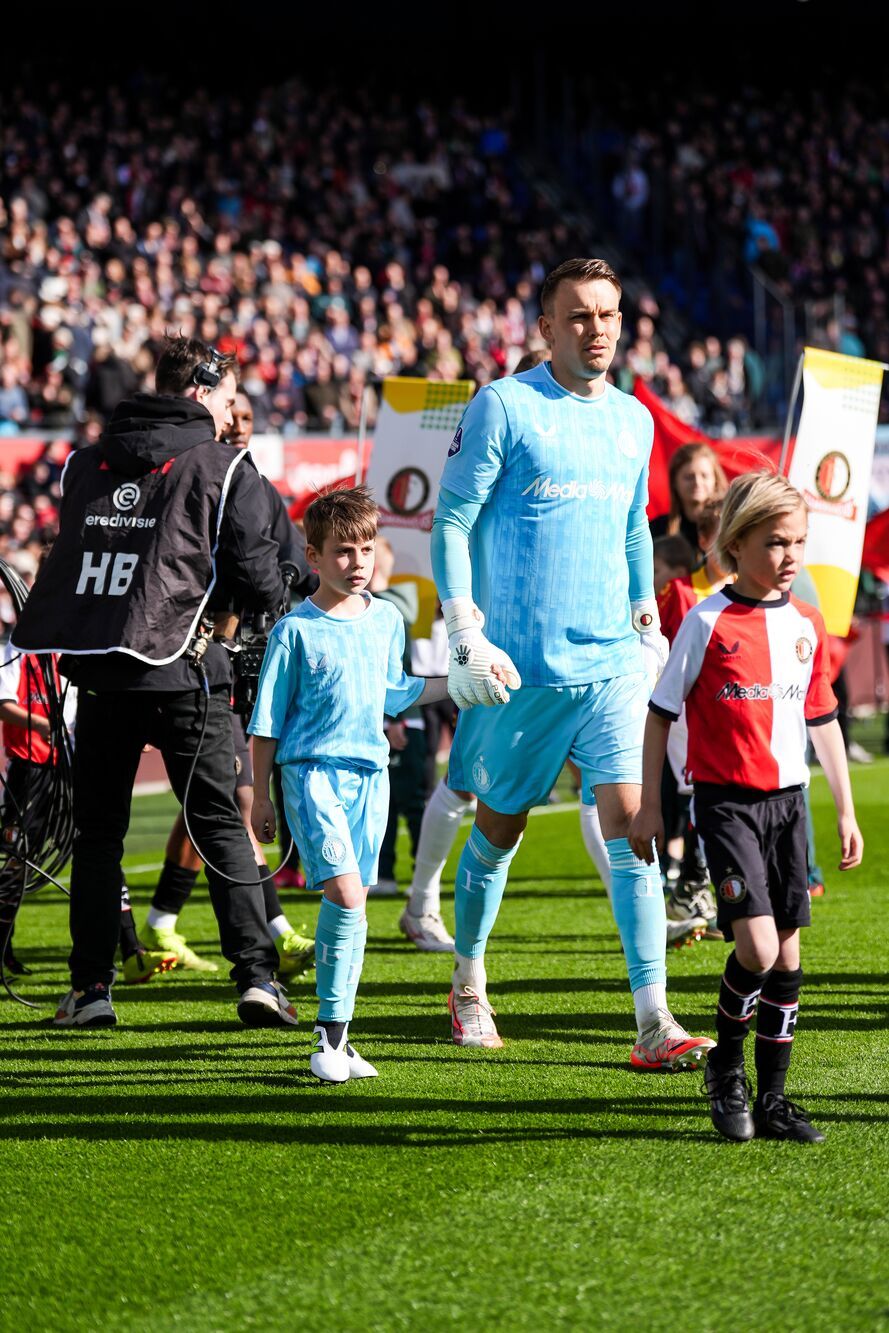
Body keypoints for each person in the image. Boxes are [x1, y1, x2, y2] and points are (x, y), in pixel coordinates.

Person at [431, 256, 713, 1069]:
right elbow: (451, 521)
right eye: (579, 315)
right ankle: (468, 977)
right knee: (499, 827)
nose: (596, 329)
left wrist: (642, 616)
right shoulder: (503, 406)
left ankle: (653, 1018)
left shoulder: (633, 420)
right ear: (546, 326)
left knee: (632, 829)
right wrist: (464, 631)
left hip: (612, 667)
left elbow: (630, 527)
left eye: (608, 314)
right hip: (519, 673)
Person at [12, 336, 296, 1030]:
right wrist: (271, 595)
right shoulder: (224, 465)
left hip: (101, 674)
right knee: (220, 825)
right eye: (228, 399)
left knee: (98, 835)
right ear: (201, 391)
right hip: (186, 671)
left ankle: (90, 990)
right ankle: (258, 980)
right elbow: (259, 575)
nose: (231, 414)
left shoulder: (85, 461)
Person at [629, 472, 863, 1142]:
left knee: (787, 958)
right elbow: (658, 714)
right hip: (726, 803)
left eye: (798, 541)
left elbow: (822, 718)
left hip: (789, 805)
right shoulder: (705, 621)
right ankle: (725, 1069)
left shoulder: (805, 623)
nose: (790, 555)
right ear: (736, 543)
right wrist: (650, 806)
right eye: (775, 542)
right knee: (756, 949)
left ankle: (773, 1099)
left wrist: (844, 810)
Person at [248, 487, 457, 1083]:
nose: (357, 562)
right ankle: (329, 1038)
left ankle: (339, 1035)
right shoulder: (294, 630)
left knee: (356, 903)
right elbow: (266, 723)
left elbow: (395, 691)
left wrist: (459, 682)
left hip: (372, 778)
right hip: (312, 775)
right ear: (313, 556)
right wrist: (260, 796)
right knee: (345, 894)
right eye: (343, 551)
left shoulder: (387, 619)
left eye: (366, 548)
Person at [142, 389, 315, 977]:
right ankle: (273, 936)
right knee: (234, 799)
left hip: (241, 665)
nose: (238, 423)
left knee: (214, 800)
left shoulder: (252, 482)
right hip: (197, 664)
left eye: (246, 415)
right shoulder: (185, 477)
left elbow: (295, 567)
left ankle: (161, 920)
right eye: (230, 412)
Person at [649, 442, 728, 552]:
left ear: (715, 479)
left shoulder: (728, 524)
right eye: (689, 477)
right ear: (674, 482)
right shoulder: (657, 531)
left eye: (704, 476)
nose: (697, 482)